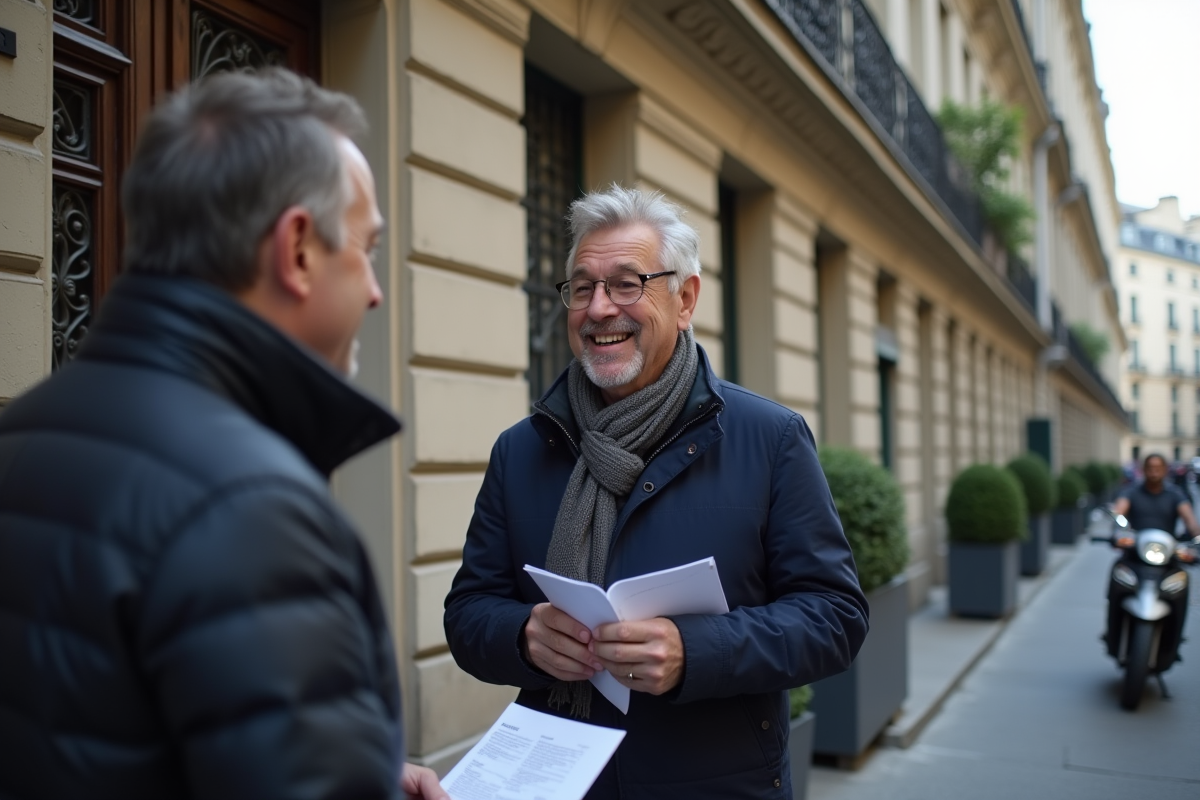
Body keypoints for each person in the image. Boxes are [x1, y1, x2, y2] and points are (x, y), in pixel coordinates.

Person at [0, 69, 446, 800]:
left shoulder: (25, 427)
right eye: (365, 249)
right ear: (298, 248)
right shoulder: (251, 505)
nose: (373, 290)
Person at [444, 186, 869, 798]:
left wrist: (695, 651)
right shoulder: (522, 449)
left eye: (626, 283)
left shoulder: (769, 438)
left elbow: (836, 618)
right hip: (558, 780)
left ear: (686, 298)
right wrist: (524, 637)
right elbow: (467, 614)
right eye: (582, 287)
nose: (599, 308)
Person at [1108, 452, 1199, 670]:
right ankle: (1112, 631)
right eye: (1150, 467)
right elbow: (1120, 509)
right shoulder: (1132, 492)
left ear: (1165, 470)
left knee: (1182, 586)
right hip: (1135, 556)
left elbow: (1189, 518)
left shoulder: (1175, 495)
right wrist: (1117, 526)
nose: (1154, 472)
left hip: (1166, 559)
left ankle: (1173, 640)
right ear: (1144, 469)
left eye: (1159, 467)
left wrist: (1196, 537)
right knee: (1116, 578)